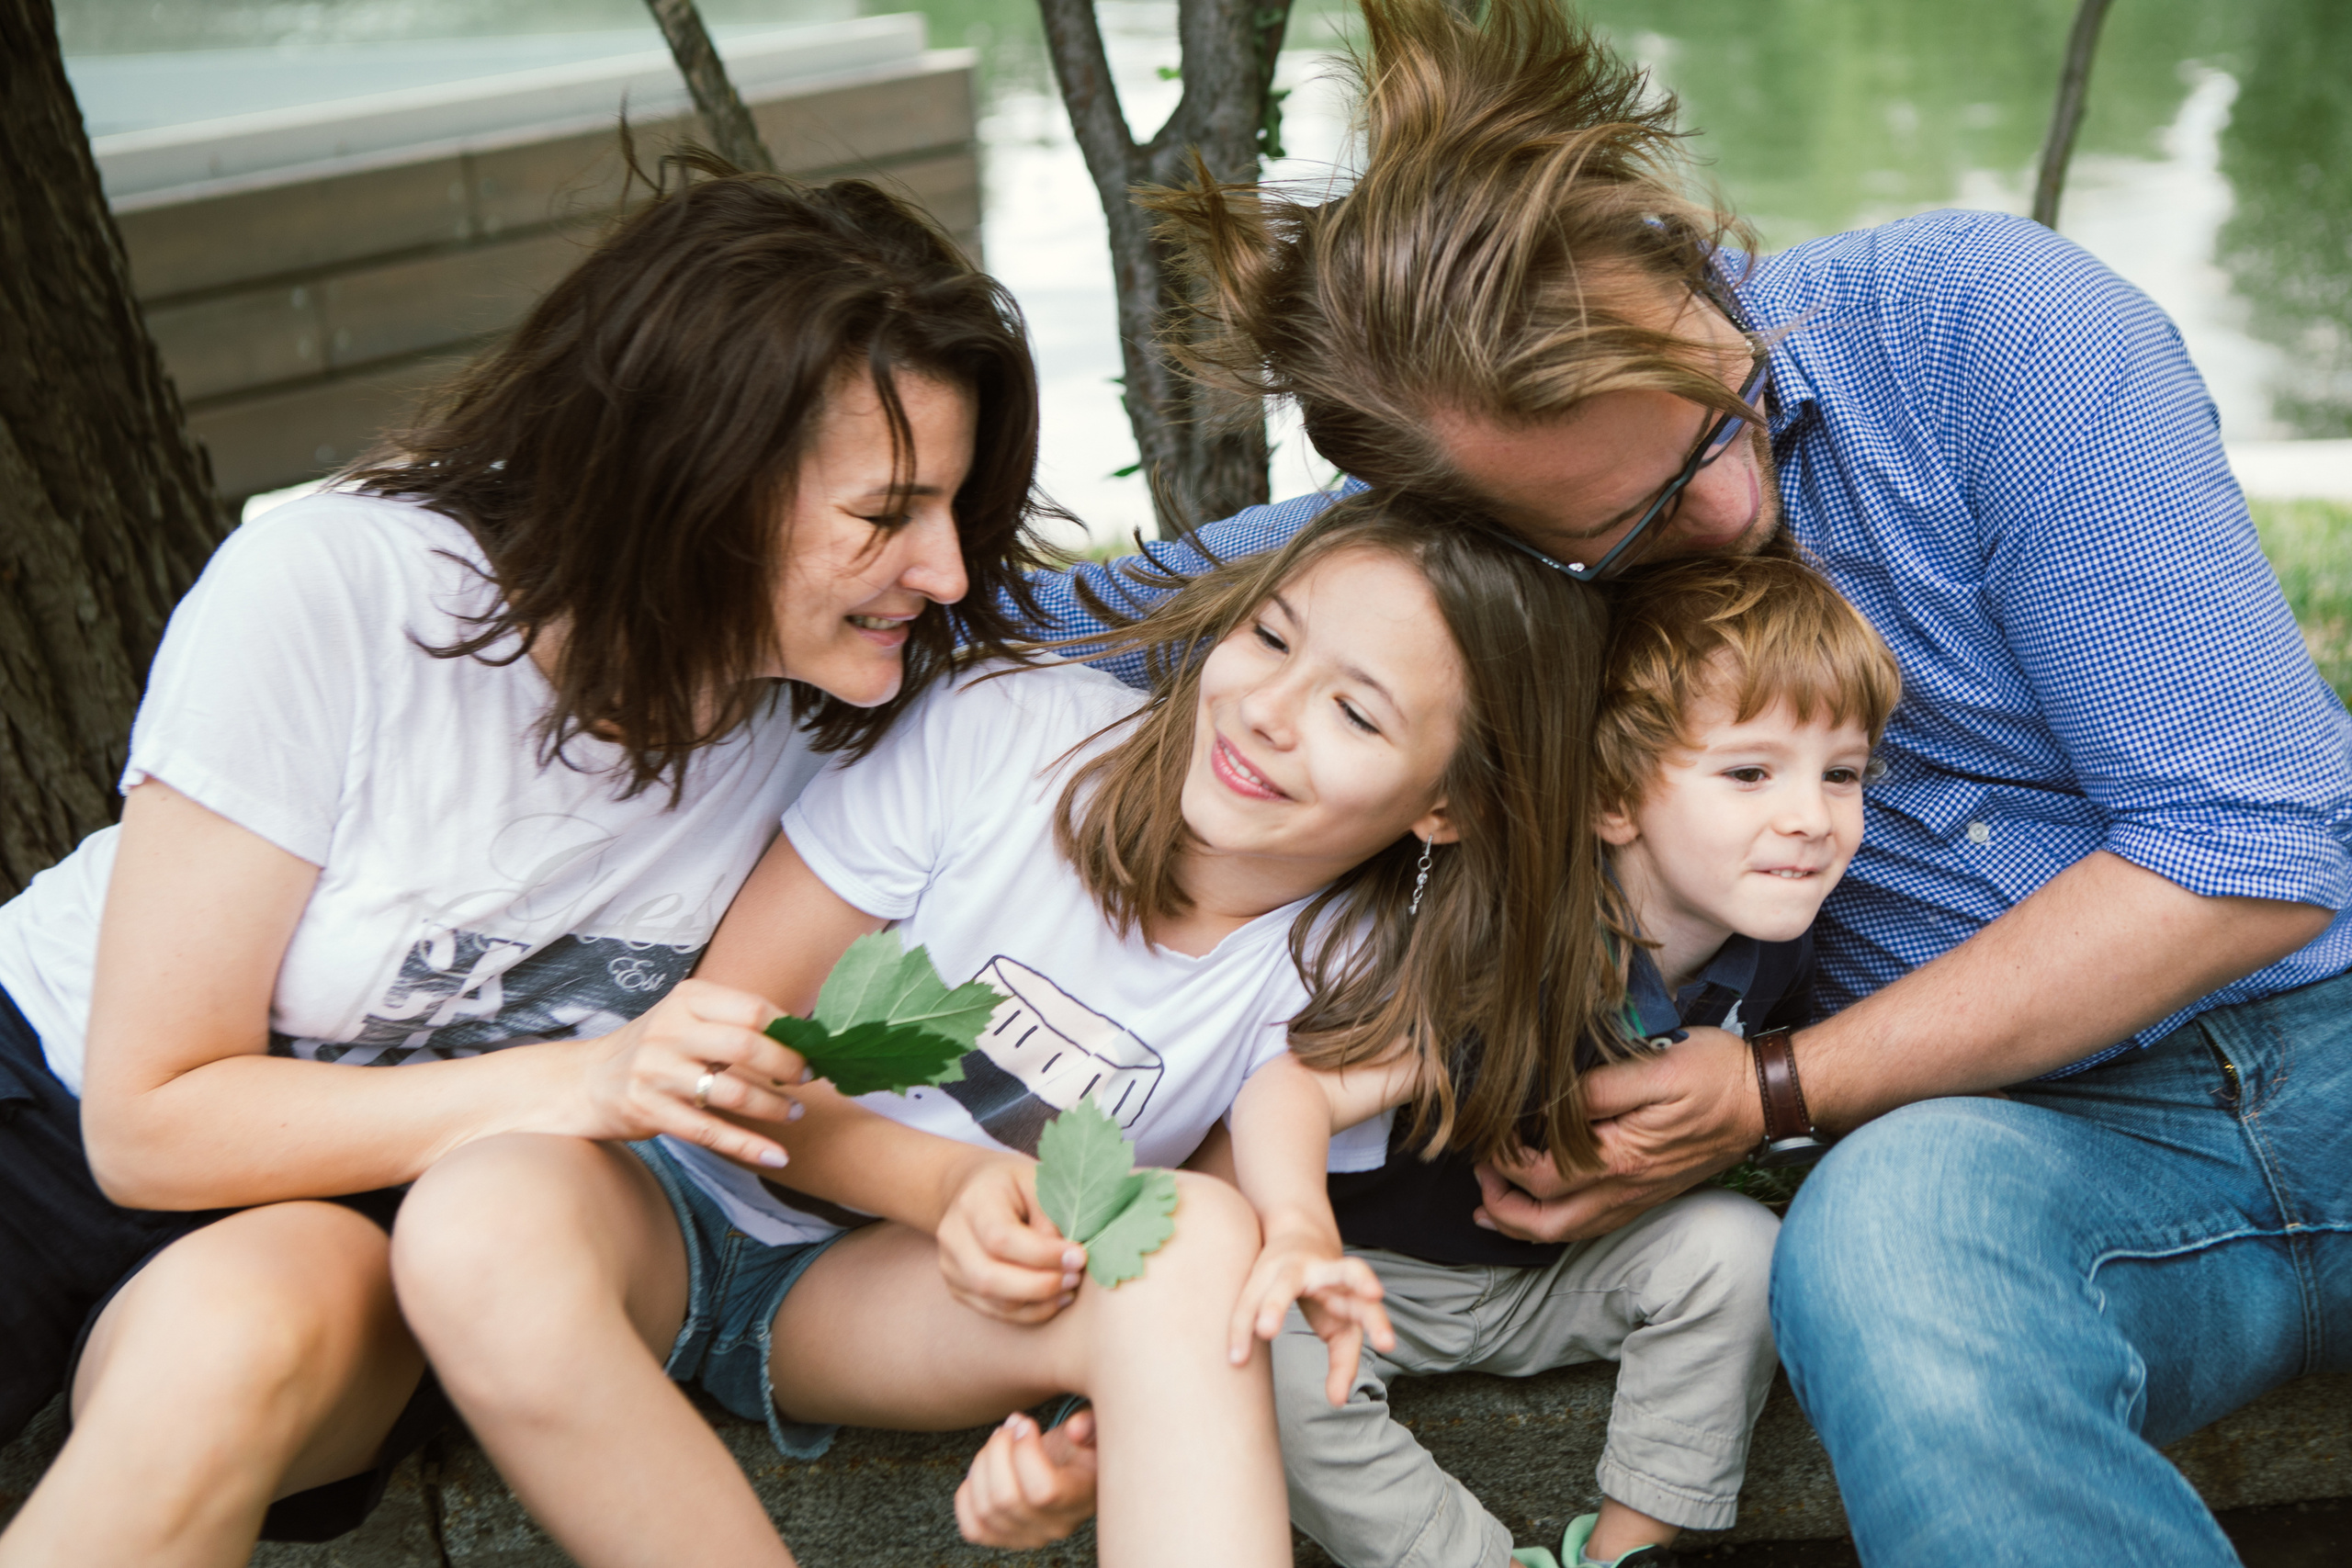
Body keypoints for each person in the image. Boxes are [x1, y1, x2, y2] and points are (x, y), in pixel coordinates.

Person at [1022, 2, 2352, 1562]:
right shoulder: (1492, 543)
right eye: (1631, 523)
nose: (1724, 503)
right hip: (2029, 1146)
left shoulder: (1983, 326)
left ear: (1670, 242)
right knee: (1880, 1240)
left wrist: (1773, 1088)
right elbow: (1056, 637)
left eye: (1714, 416)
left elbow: (2253, 841)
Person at [0, 158, 1052, 1566]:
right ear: (701, 482)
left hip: (371, 1223)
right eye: (886, 514)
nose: (946, 573)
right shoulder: (339, 590)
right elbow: (145, 1119)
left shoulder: (857, 717)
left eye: (955, 512)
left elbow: (1238, 641)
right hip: (51, 1098)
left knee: (232, 1350)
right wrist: (583, 1079)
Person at [383, 500, 1616, 1568]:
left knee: (1198, 1235)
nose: (1267, 712)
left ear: (1448, 802)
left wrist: (1091, 1436)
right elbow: (725, 1040)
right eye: (1270, 636)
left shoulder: (1359, 972)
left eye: (1356, 711)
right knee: (477, 1215)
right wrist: (947, 1182)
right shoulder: (1008, 732)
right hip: (664, 1193)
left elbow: (1176, 1275)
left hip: (875, 1306)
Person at [1225, 554, 1899, 1568]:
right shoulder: (1525, 942)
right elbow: (1291, 1089)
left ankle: (1626, 1552)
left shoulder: (1774, 937)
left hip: (1568, 1274)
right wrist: (1298, 1239)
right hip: (1384, 1278)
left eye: (1839, 773)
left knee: (1734, 1253)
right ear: (1614, 799)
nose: (1809, 817)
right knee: (1260, 1364)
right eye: (1749, 772)